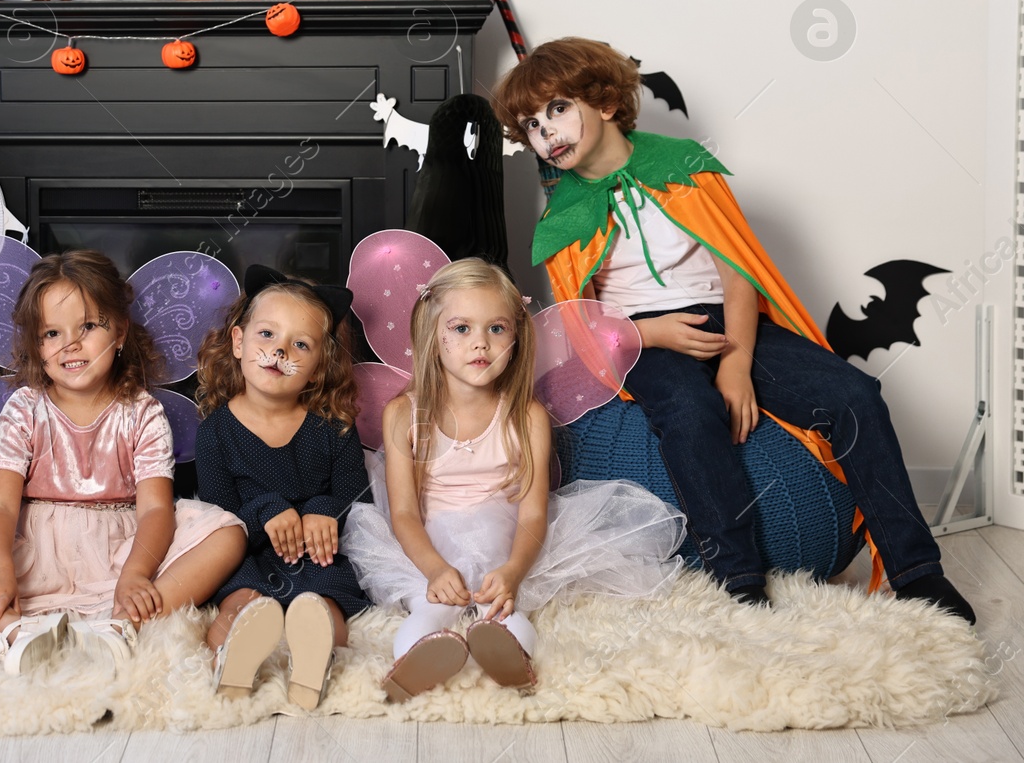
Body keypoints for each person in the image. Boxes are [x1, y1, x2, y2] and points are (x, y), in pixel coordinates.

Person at [491, 37, 975, 622]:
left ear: (606, 103)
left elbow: (739, 270)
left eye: (558, 109)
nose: (548, 132)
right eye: (532, 125)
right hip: (638, 338)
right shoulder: (562, 215)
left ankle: (918, 572)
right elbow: (584, 323)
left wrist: (738, 361)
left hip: (727, 317)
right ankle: (738, 576)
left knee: (856, 396)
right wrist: (650, 336)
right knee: (692, 415)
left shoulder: (684, 167)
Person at [344, 258, 685, 701]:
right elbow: (404, 513)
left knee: (502, 607)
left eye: (497, 329)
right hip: (428, 546)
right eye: (462, 328)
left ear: (516, 337)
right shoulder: (404, 414)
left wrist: (513, 571)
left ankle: (507, 658)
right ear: (433, 334)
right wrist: (433, 569)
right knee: (431, 607)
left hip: (506, 542)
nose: (480, 344)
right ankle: (415, 661)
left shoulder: (526, 417)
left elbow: (533, 511)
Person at [0, 250, 245, 673]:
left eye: (89, 327)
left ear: (119, 332)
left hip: (122, 545)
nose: (70, 345)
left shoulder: (142, 411)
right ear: (35, 346)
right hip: (34, 547)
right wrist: (0, 572)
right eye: (51, 334)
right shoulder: (23, 408)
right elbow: (0, 505)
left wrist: (136, 574)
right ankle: (11, 629)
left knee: (228, 534)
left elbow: (155, 508)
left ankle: (123, 624)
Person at [193, 267, 370, 711]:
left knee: (324, 604)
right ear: (238, 342)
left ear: (315, 372)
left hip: (317, 556)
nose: (279, 352)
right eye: (267, 334)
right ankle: (233, 663)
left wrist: (323, 510)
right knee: (239, 600)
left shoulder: (334, 429)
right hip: (250, 555)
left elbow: (357, 497)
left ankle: (312, 664)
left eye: (300, 345)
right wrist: (266, 510)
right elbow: (218, 516)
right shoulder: (216, 432)